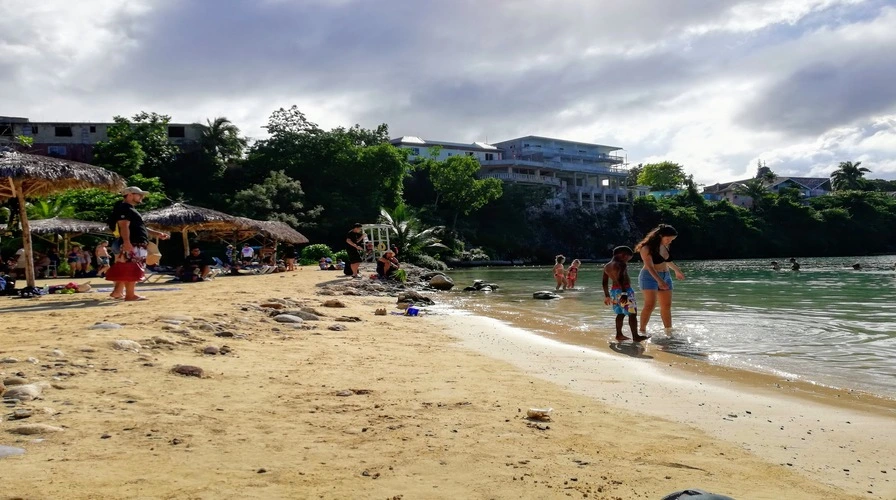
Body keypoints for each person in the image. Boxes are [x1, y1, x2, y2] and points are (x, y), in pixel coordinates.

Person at [105, 186, 170, 301]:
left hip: (135, 242)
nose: (141, 197)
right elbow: (124, 226)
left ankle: (118, 291)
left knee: (127, 267)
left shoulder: (128, 209)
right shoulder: (125, 208)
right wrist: (126, 242)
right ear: (130, 195)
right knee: (133, 268)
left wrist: (156, 233)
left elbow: (140, 227)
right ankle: (130, 295)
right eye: (139, 194)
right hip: (134, 243)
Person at [636, 224, 685, 335]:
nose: (669, 242)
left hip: (666, 276)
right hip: (649, 277)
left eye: (672, 240)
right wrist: (660, 281)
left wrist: (677, 270)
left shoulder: (665, 246)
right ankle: (642, 330)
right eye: (668, 239)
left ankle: (668, 331)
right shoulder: (646, 248)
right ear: (660, 235)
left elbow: (667, 261)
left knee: (666, 306)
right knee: (650, 305)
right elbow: (650, 267)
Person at [603, 246, 650, 342]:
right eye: (628, 259)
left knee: (620, 313)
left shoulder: (607, 266)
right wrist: (624, 293)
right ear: (623, 255)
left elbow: (604, 282)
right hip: (624, 291)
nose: (627, 261)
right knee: (632, 313)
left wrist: (607, 295)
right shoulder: (621, 264)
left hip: (614, 292)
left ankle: (619, 335)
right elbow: (620, 278)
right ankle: (636, 336)